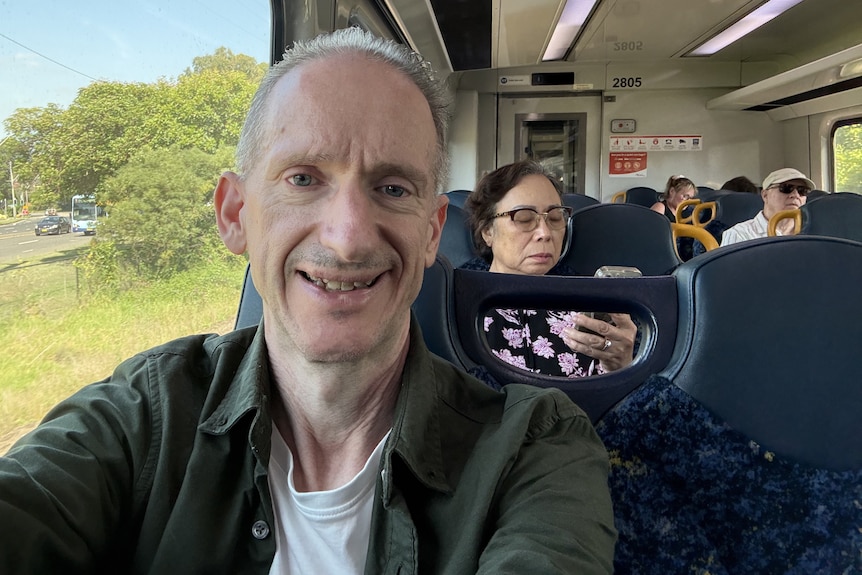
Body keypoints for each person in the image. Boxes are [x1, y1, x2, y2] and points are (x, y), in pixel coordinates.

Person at [0, 28, 616, 574]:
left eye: (392, 187)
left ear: (431, 233)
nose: (346, 237)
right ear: (236, 214)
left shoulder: (535, 448)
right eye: (303, 179)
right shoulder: (143, 419)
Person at [462, 160, 637, 379]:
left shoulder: (589, 308)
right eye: (524, 218)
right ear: (487, 231)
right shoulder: (458, 308)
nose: (545, 233)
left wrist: (620, 367)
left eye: (555, 218)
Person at [720, 167, 814, 246]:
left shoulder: (815, 232)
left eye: (802, 190)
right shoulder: (740, 235)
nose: (795, 195)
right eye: (786, 188)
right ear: (765, 195)